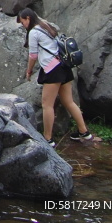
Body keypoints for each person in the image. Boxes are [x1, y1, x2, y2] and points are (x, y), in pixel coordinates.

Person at [18, 8, 93, 148]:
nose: (23, 26)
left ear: (28, 18)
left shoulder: (34, 32)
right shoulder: (45, 24)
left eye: (23, 22)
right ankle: (84, 132)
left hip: (52, 70)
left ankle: (48, 139)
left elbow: (33, 55)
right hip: (64, 66)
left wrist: (28, 71)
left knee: (47, 105)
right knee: (69, 102)